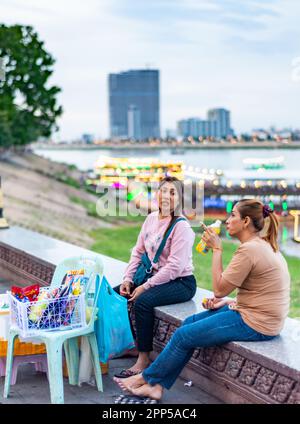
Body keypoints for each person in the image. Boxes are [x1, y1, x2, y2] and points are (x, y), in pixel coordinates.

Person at [114, 198, 291, 400]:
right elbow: (258, 290)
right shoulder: (261, 245)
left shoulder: (250, 250)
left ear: (246, 221)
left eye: (233, 215)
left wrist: (217, 249)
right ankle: (155, 385)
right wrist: (228, 302)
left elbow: (218, 289)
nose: (227, 220)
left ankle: (148, 379)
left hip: (257, 322)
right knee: (188, 324)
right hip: (253, 312)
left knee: (184, 335)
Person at [114, 176, 197, 377]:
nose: (166, 196)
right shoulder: (151, 219)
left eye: (172, 192)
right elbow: (138, 251)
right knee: (116, 295)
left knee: (142, 302)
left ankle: (143, 358)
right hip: (154, 276)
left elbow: (175, 267)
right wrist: (128, 279)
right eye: (163, 191)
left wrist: (145, 287)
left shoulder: (182, 227)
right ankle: (131, 345)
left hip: (180, 282)